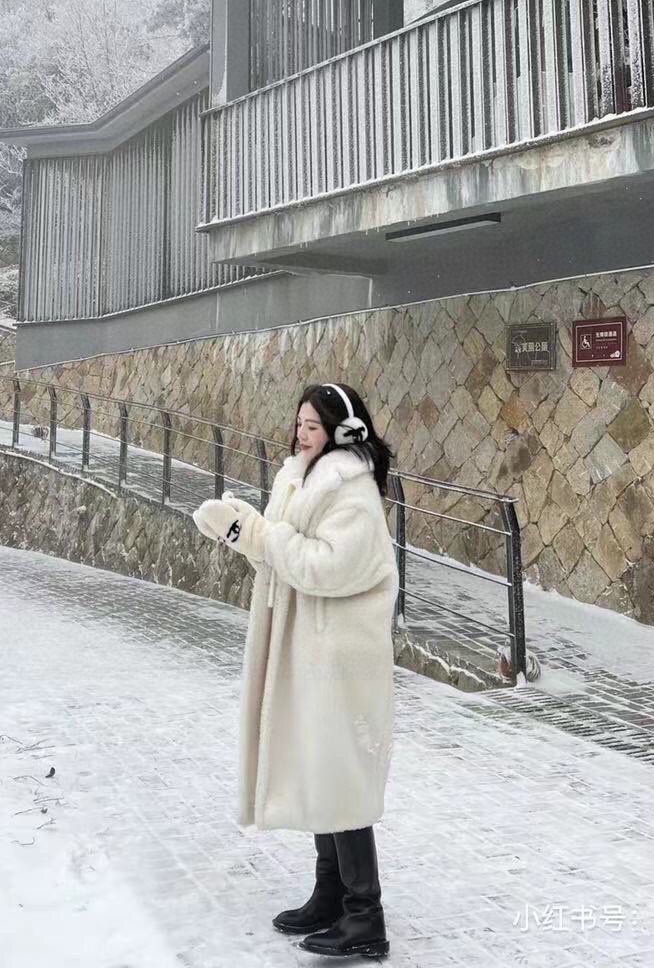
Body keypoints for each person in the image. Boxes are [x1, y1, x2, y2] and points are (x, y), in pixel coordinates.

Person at [193, 383, 398, 961]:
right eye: (300, 424)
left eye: (312, 426)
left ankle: (366, 915)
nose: (301, 434)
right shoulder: (300, 476)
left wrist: (266, 534)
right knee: (317, 766)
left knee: (340, 776)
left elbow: (326, 567)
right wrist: (242, 530)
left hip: (339, 658)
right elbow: (281, 556)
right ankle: (331, 894)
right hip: (308, 649)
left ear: (339, 431)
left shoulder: (352, 491)